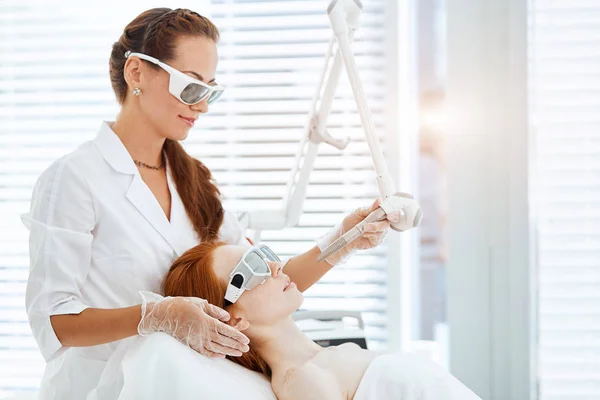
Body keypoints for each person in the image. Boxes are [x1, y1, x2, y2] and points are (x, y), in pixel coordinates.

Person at [21, 7, 399, 399]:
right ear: (136, 73)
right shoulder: (75, 179)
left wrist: (344, 240)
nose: (201, 105)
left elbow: (262, 286)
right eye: (192, 87)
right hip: (106, 389)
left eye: (211, 92)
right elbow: (55, 320)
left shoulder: (193, 181)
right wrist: (155, 316)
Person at [161, 241, 481, 400]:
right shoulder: (299, 379)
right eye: (251, 269)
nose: (275, 268)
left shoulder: (327, 357)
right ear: (231, 319)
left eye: (262, 254)